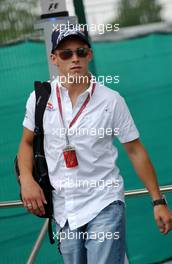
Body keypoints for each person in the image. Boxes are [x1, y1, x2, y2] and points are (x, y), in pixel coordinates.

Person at [17, 25, 172, 264]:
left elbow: (135, 150)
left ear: (89, 55)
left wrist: (158, 200)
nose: (75, 59)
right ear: (54, 59)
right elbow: (27, 143)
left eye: (80, 51)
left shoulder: (112, 100)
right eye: (66, 54)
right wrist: (26, 180)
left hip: (105, 201)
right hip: (64, 208)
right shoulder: (39, 98)